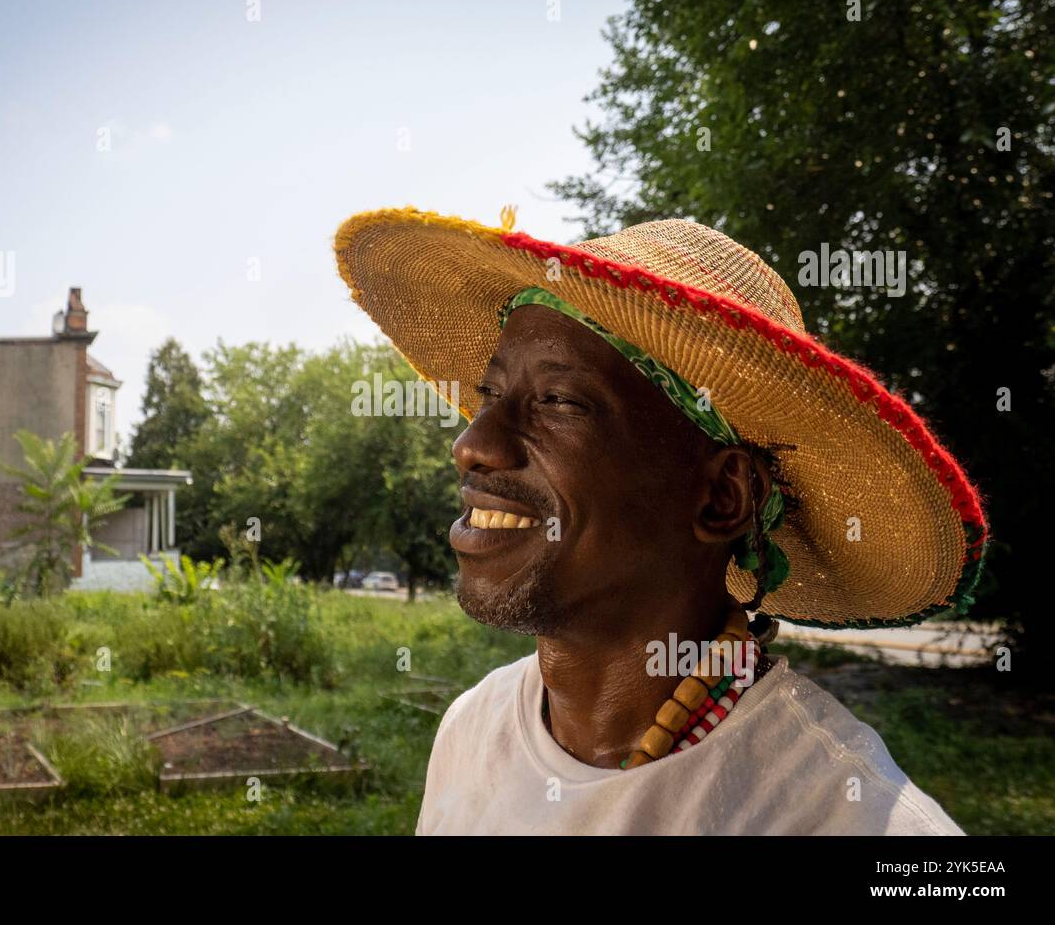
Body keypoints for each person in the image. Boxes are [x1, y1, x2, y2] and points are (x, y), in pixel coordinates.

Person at [334, 207, 987, 834]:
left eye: (557, 400)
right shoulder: (472, 730)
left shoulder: (845, 817)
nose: (473, 444)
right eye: (489, 396)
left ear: (722, 498)